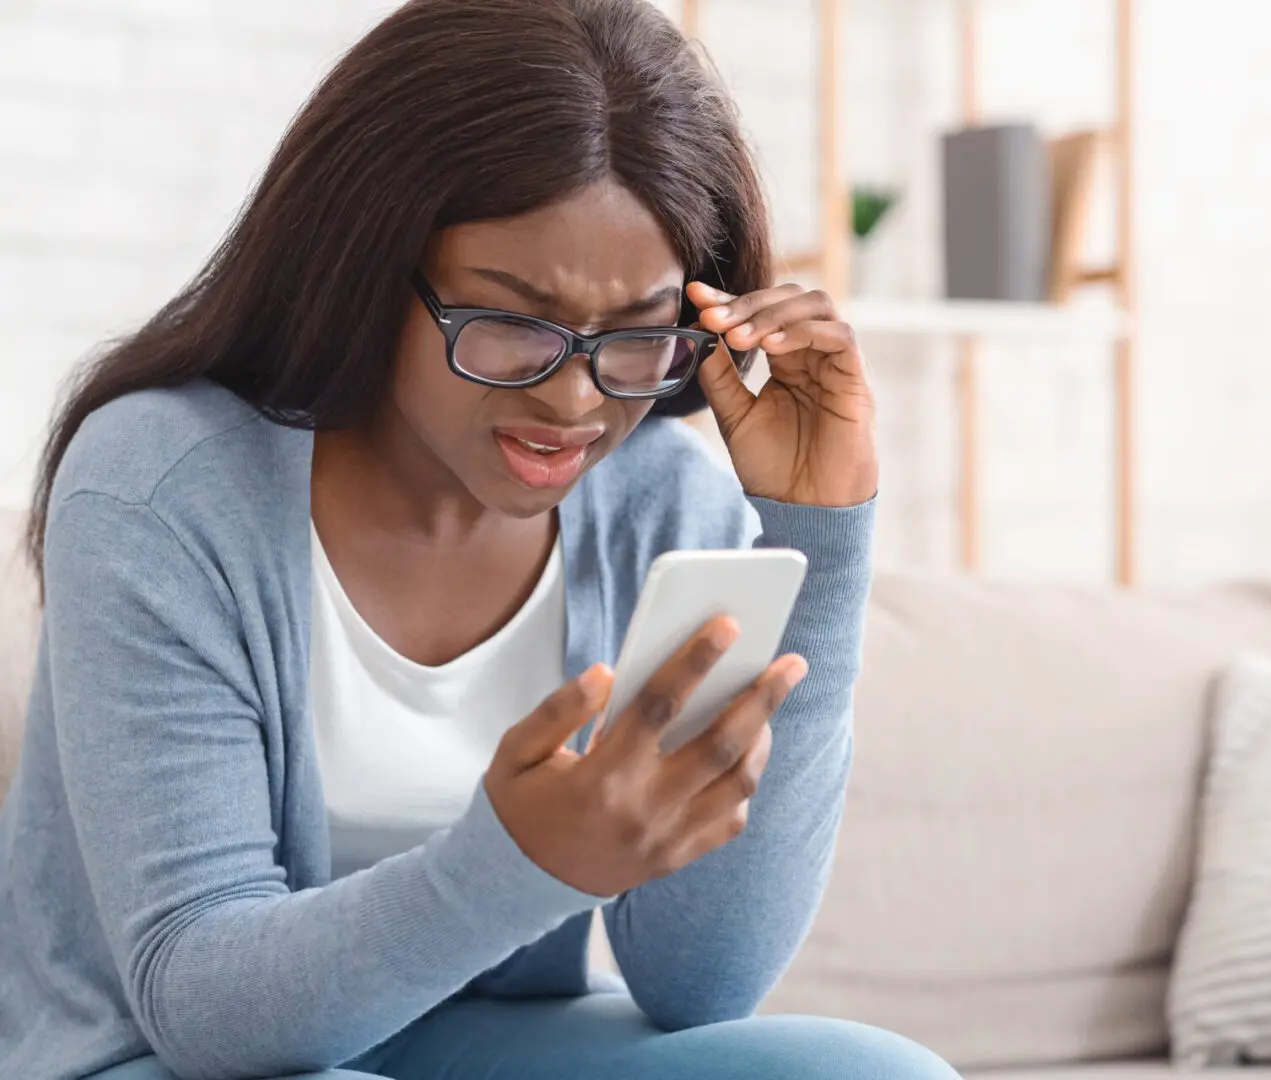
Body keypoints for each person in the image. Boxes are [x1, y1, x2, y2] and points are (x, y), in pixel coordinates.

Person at [0, 2, 961, 1078]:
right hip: (155, 1056)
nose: (572, 401)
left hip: (478, 1041)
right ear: (370, 269)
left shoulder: (659, 507)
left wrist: (818, 543)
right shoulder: (163, 485)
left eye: (635, 334)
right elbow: (201, 1000)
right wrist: (524, 861)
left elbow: (702, 986)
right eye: (511, 319)